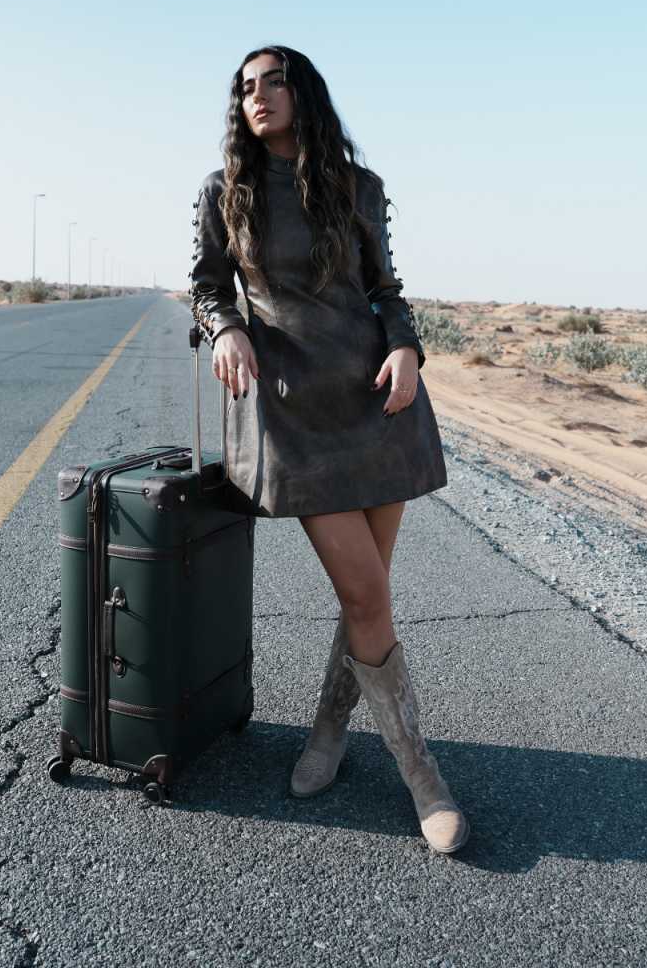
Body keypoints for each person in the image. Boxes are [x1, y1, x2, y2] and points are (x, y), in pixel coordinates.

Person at [188, 45, 469, 855]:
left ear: (303, 92)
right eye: (245, 87)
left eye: (273, 81)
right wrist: (227, 328)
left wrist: (408, 349)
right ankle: (423, 778)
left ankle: (326, 736)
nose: (257, 96)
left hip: (380, 403)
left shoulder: (358, 186)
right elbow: (208, 285)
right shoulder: (224, 193)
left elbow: (386, 290)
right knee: (368, 595)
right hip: (293, 415)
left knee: (365, 597)